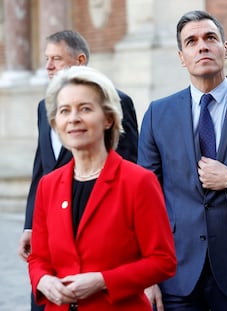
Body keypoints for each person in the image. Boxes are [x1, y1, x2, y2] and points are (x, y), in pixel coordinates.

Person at [138, 10, 227, 311]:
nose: (202, 46)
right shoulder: (157, 114)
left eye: (210, 38)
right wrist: (146, 274)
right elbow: (144, 201)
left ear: (225, 48)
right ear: (181, 56)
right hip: (177, 272)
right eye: (191, 41)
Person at [28, 65, 176, 310]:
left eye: (85, 108)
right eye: (65, 111)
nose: (73, 118)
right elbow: (39, 258)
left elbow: (163, 261)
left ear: (108, 118)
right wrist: (42, 280)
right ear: (56, 122)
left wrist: (102, 281)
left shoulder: (138, 181)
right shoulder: (48, 185)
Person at [17, 30, 139, 311]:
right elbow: (41, 170)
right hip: (51, 233)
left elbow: (128, 164)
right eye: (46, 59)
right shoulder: (43, 108)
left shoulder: (118, 102)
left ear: (80, 60)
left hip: (98, 235)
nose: (47, 66)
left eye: (55, 59)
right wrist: (29, 225)